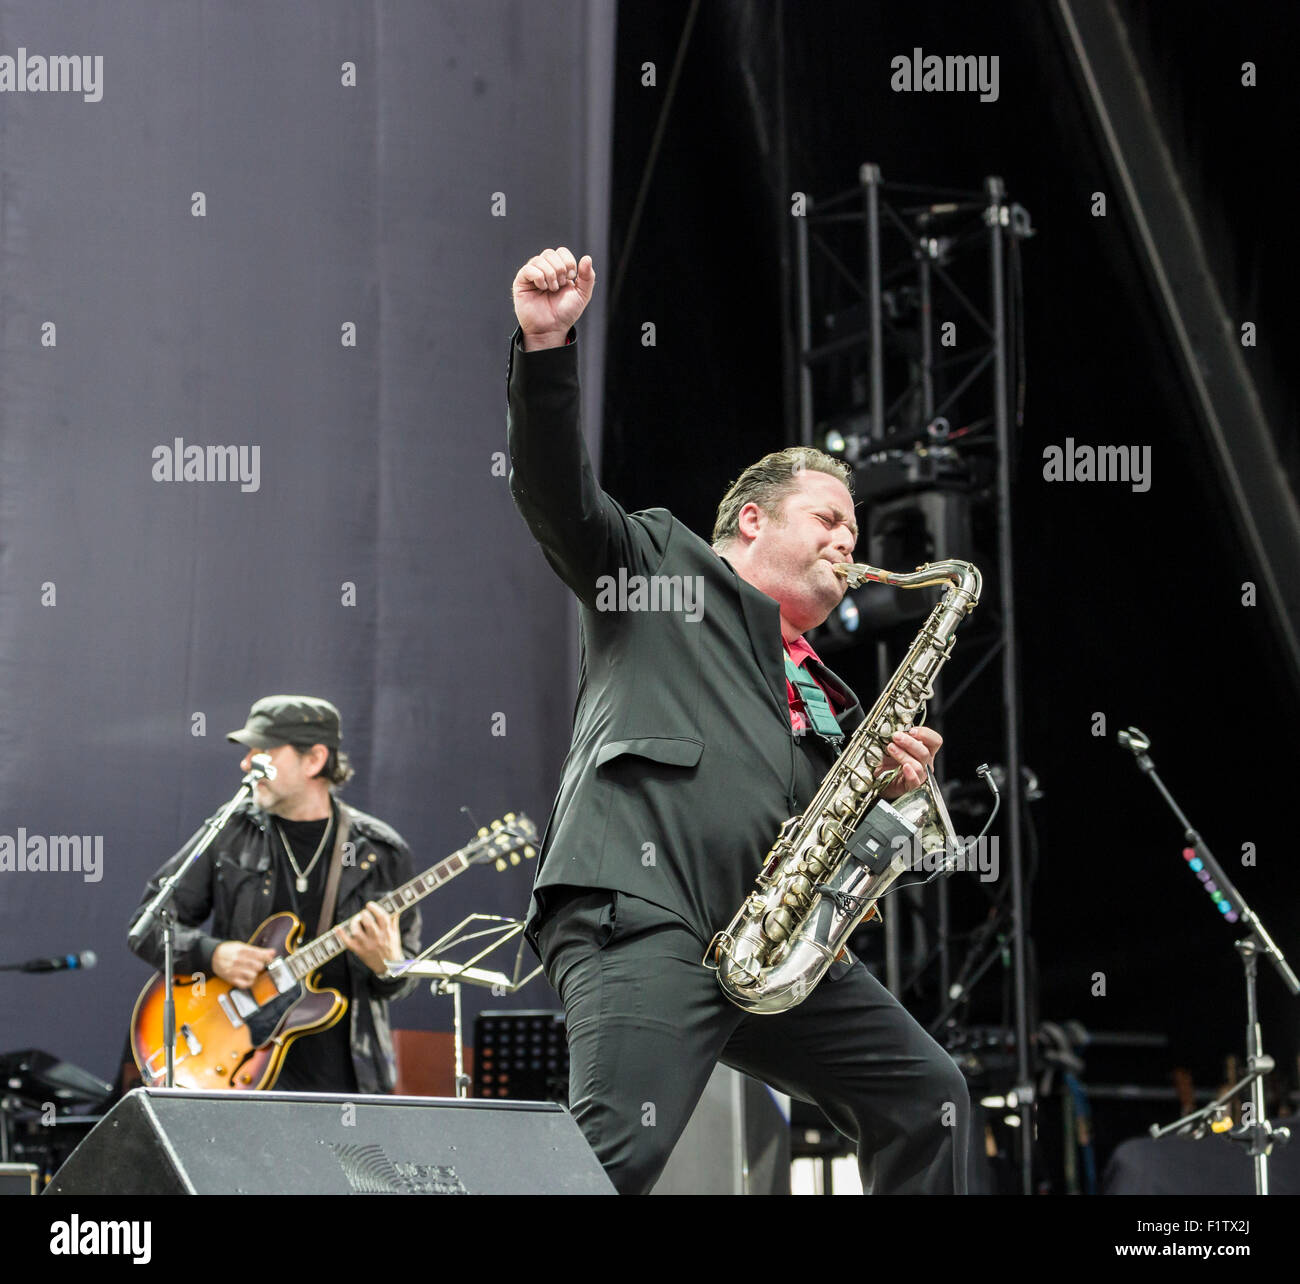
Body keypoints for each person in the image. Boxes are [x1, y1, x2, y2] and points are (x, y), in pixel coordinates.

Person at [507, 246, 969, 1194]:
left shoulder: (826, 693)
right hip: (647, 914)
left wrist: (887, 791)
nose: (849, 543)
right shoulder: (663, 565)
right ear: (753, 522)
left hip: (772, 945)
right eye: (828, 520)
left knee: (932, 1095)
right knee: (614, 1158)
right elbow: (559, 499)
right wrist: (547, 345)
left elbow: (830, 842)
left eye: (854, 533)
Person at [127, 695, 421, 1094]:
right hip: (242, 1066)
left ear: (314, 759)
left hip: (343, 1079)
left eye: (263, 750)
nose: (247, 763)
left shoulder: (379, 850)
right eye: (249, 751)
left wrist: (387, 965)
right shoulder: (231, 832)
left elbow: (405, 976)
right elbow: (148, 925)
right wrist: (213, 954)